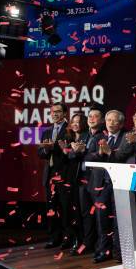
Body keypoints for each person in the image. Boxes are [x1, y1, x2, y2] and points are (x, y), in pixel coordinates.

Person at [85, 110, 126, 263]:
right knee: (102, 220)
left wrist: (110, 153)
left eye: (114, 120)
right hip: (101, 184)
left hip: (118, 184)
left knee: (118, 221)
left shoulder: (125, 138)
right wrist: (100, 154)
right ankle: (103, 251)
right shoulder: (99, 137)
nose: (110, 123)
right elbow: (88, 156)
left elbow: (124, 158)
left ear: (121, 123)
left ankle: (119, 253)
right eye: (108, 119)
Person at [67, 107, 105, 255]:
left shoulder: (104, 135)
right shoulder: (83, 135)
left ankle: (99, 246)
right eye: (90, 116)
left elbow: (100, 157)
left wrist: (83, 153)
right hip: (82, 180)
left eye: (95, 116)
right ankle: (87, 243)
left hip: (97, 181)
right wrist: (75, 151)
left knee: (98, 215)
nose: (92, 118)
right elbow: (71, 157)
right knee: (85, 213)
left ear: (101, 120)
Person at [37, 103, 71, 249]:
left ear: (64, 113)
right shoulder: (47, 131)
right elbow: (40, 153)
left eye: (58, 111)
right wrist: (45, 150)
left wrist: (54, 148)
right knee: (51, 208)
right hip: (50, 174)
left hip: (64, 174)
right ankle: (54, 237)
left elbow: (70, 152)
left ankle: (67, 238)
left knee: (65, 208)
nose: (55, 114)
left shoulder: (70, 130)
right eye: (52, 112)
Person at [59, 113, 88, 255]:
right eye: (73, 122)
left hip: (81, 179)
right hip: (68, 178)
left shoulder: (87, 137)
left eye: (78, 121)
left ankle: (82, 241)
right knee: (69, 211)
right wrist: (65, 152)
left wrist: (69, 152)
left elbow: (79, 155)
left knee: (80, 212)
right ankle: (73, 239)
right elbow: (66, 158)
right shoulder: (68, 137)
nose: (76, 124)